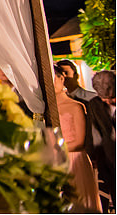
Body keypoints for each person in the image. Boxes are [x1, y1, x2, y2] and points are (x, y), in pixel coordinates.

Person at [54, 63, 101, 211]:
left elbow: (80, 141)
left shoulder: (76, 106)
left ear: (61, 78)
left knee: (79, 203)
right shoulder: (44, 109)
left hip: (74, 158)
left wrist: (54, 148)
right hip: (55, 160)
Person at [87, 70, 115, 211]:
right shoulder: (94, 105)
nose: (110, 102)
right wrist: (93, 156)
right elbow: (94, 133)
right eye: (105, 99)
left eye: (113, 97)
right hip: (110, 158)